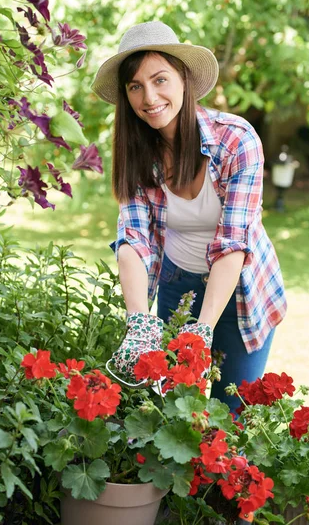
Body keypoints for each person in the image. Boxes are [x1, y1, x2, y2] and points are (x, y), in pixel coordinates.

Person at [91, 21, 287, 411]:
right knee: (172, 413)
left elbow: (234, 243)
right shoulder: (137, 152)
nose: (149, 97)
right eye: (135, 86)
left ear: (183, 78)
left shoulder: (237, 140)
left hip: (241, 293)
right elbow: (134, 238)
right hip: (176, 286)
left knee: (231, 415)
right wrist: (139, 323)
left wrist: (202, 330)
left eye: (160, 79)